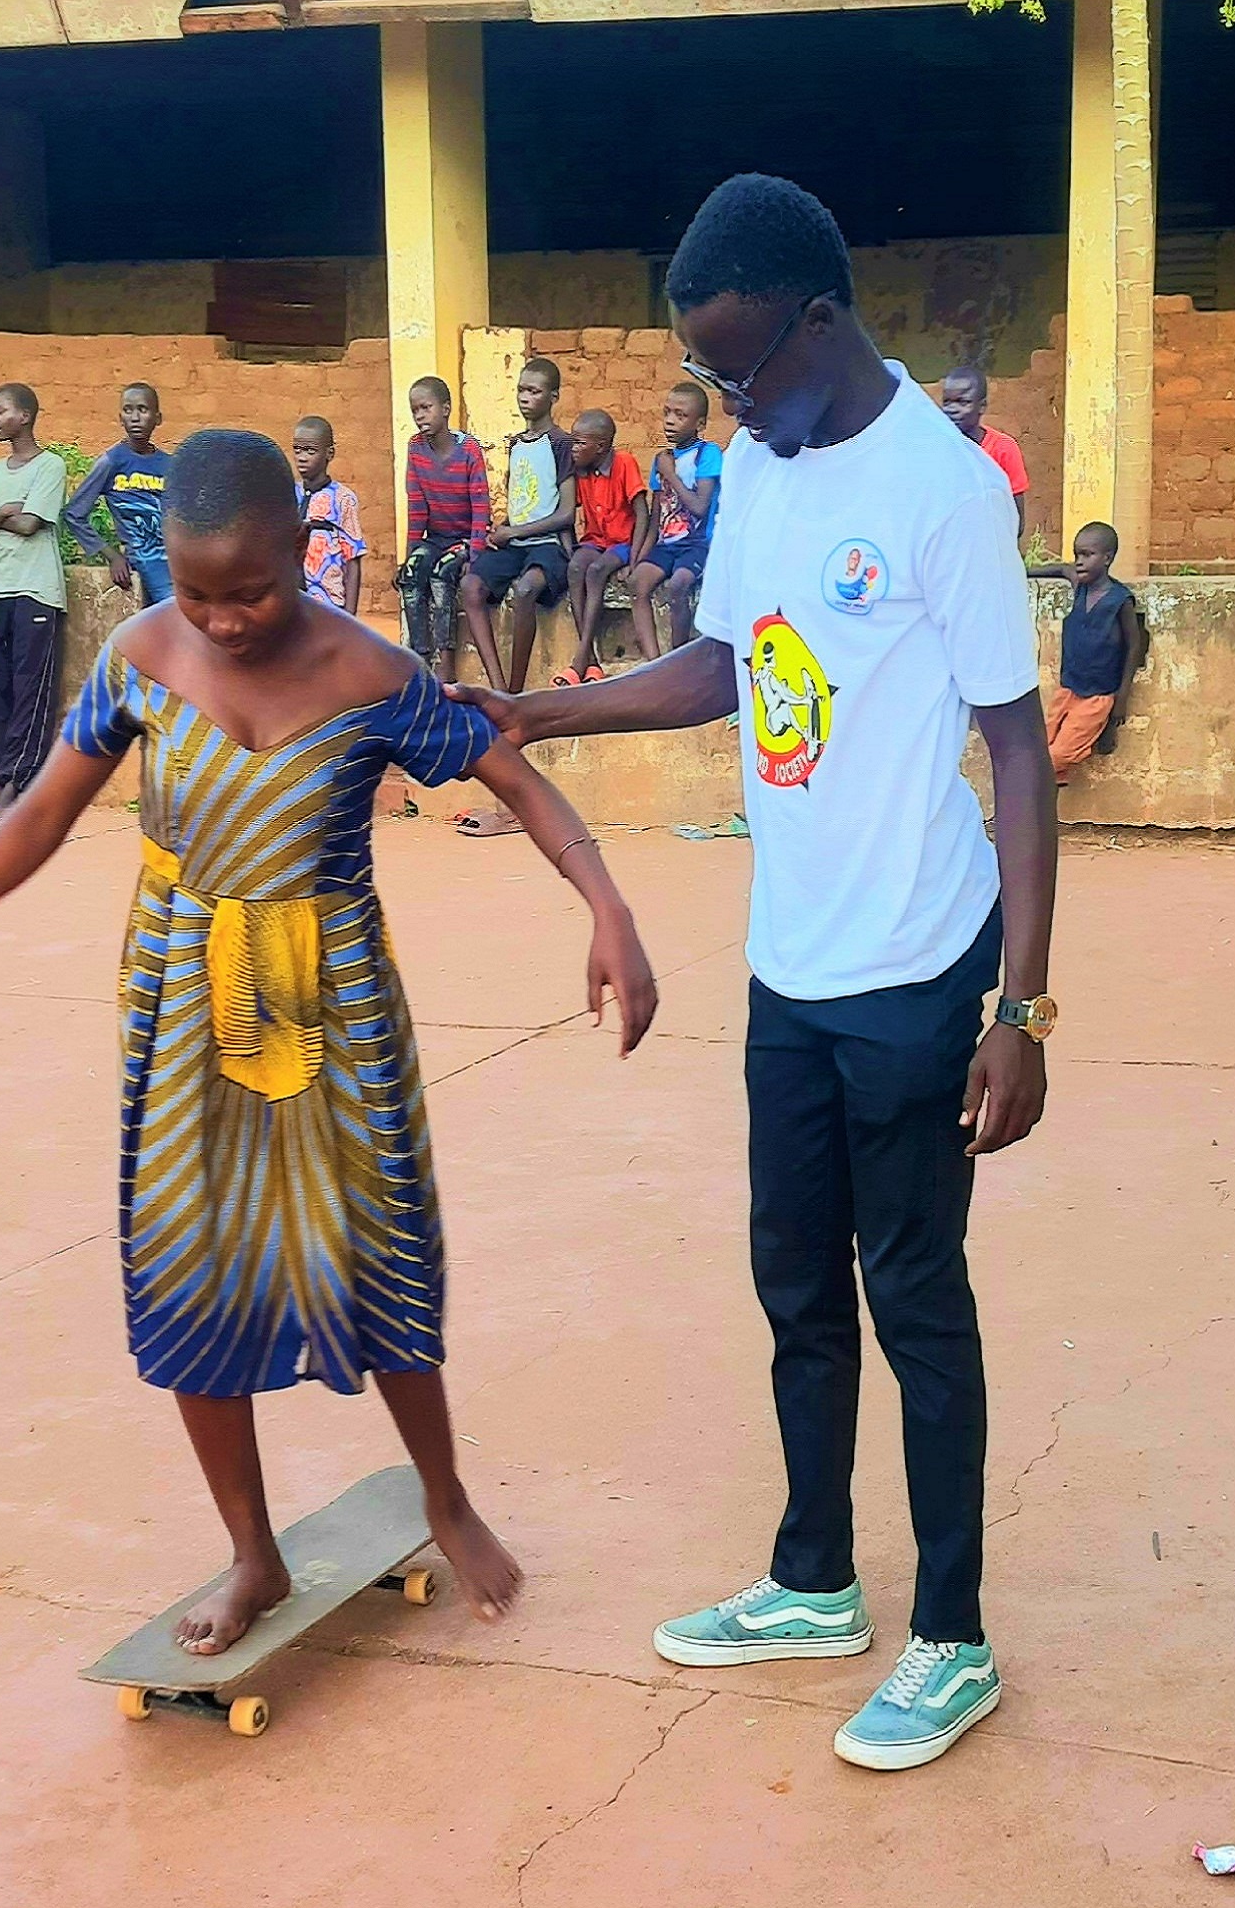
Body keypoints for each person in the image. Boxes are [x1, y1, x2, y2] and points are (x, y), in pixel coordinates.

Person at [0, 426, 658, 1655]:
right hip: (179, 998)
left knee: (377, 1241)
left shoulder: (370, 672)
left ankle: (443, 1493)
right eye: (195, 589)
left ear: (304, 549)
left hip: (336, 1000)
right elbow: (39, 819)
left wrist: (610, 910)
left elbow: (514, 781)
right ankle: (252, 1551)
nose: (220, 619)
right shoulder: (135, 657)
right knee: (186, 1251)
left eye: (251, 588)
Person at [457, 172, 1057, 1777]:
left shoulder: (944, 489)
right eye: (710, 381)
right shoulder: (763, 468)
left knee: (914, 1302)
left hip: (925, 971)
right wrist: (547, 715)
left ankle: (952, 1637)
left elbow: (1016, 748)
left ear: (819, 319)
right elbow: (723, 665)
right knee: (795, 1284)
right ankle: (812, 1582)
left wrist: (1021, 1005)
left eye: (744, 370)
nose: (728, 403)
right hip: (791, 968)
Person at [0, 382, 70, 817]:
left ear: (25, 416)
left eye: (0, 410)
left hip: (36, 590)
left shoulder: (51, 466)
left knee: (32, 689)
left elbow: (31, 524)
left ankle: (21, 782)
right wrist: (4, 511)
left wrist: (3, 517)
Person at [458, 354, 575, 701]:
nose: (525, 398)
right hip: (516, 542)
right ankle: (496, 684)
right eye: (521, 390)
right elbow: (521, 501)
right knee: (471, 585)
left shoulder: (561, 444)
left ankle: (515, 690)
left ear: (553, 397)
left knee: (526, 591)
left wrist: (516, 532)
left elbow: (566, 512)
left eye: (535, 392)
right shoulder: (515, 444)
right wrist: (504, 528)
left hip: (547, 543)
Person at [400, 375, 489, 673]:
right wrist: (410, 554)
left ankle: (446, 662)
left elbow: (481, 506)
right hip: (435, 538)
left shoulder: (469, 450)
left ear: (446, 408)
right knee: (411, 576)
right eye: (415, 410)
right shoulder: (415, 449)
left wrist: (474, 555)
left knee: (441, 577)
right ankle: (420, 657)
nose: (420, 416)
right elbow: (417, 507)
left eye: (426, 407)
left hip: (462, 540)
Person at [1041, 519, 1142, 777]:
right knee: (1037, 747)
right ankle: (1054, 784)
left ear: (1107, 558)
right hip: (1068, 688)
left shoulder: (1119, 601)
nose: (1079, 562)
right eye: (1077, 554)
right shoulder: (1079, 585)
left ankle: (1048, 779)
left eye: (1087, 555)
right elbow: (1060, 569)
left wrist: (1121, 701)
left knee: (1056, 756)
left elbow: (1133, 647)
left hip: (1098, 696)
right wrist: (1018, 571)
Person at [555, 408, 649, 682]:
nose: (574, 449)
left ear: (601, 447)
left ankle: (579, 660)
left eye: (580, 443)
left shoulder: (625, 463)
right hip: (595, 540)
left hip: (623, 542)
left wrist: (634, 560)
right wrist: (568, 547)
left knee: (596, 572)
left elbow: (642, 513)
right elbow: (566, 512)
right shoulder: (580, 469)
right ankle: (591, 662)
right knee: (575, 568)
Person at [636, 376, 721, 656]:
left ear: (700, 424)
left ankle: (677, 656)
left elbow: (699, 507)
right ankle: (653, 662)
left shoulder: (707, 455)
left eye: (680, 415)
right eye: (667, 412)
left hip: (697, 544)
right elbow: (655, 516)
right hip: (666, 545)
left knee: (678, 585)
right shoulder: (662, 458)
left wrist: (670, 473)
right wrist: (638, 560)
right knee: (638, 584)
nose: (670, 420)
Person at [67, 384, 174, 606]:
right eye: (128, 410)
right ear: (120, 418)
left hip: (178, 561)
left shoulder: (170, 465)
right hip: (144, 558)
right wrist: (112, 555)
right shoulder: (112, 462)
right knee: (174, 615)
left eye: (143, 410)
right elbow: (74, 514)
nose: (135, 417)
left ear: (158, 418)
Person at [293, 416, 366, 614]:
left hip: (329, 603)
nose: (302, 457)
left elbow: (353, 558)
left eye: (310, 451)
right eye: (297, 449)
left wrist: (350, 617)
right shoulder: (288, 495)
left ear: (329, 454)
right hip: (292, 602)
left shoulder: (343, 499)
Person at [939, 364, 1028, 511]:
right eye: (947, 402)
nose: (952, 410)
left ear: (982, 406)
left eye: (963, 402)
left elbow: (1016, 518)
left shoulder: (1003, 449)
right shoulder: (938, 448)